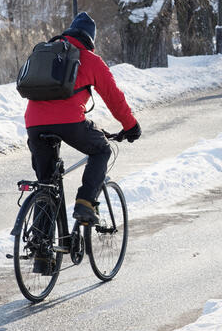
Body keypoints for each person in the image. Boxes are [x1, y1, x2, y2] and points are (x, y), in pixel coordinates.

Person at [25, 12, 141, 226]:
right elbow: (114, 98)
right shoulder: (90, 59)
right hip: (69, 122)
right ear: (90, 39)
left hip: (34, 123)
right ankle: (85, 203)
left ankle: (42, 248)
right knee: (102, 150)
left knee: (46, 183)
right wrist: (130, 126)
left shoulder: (47, 54)